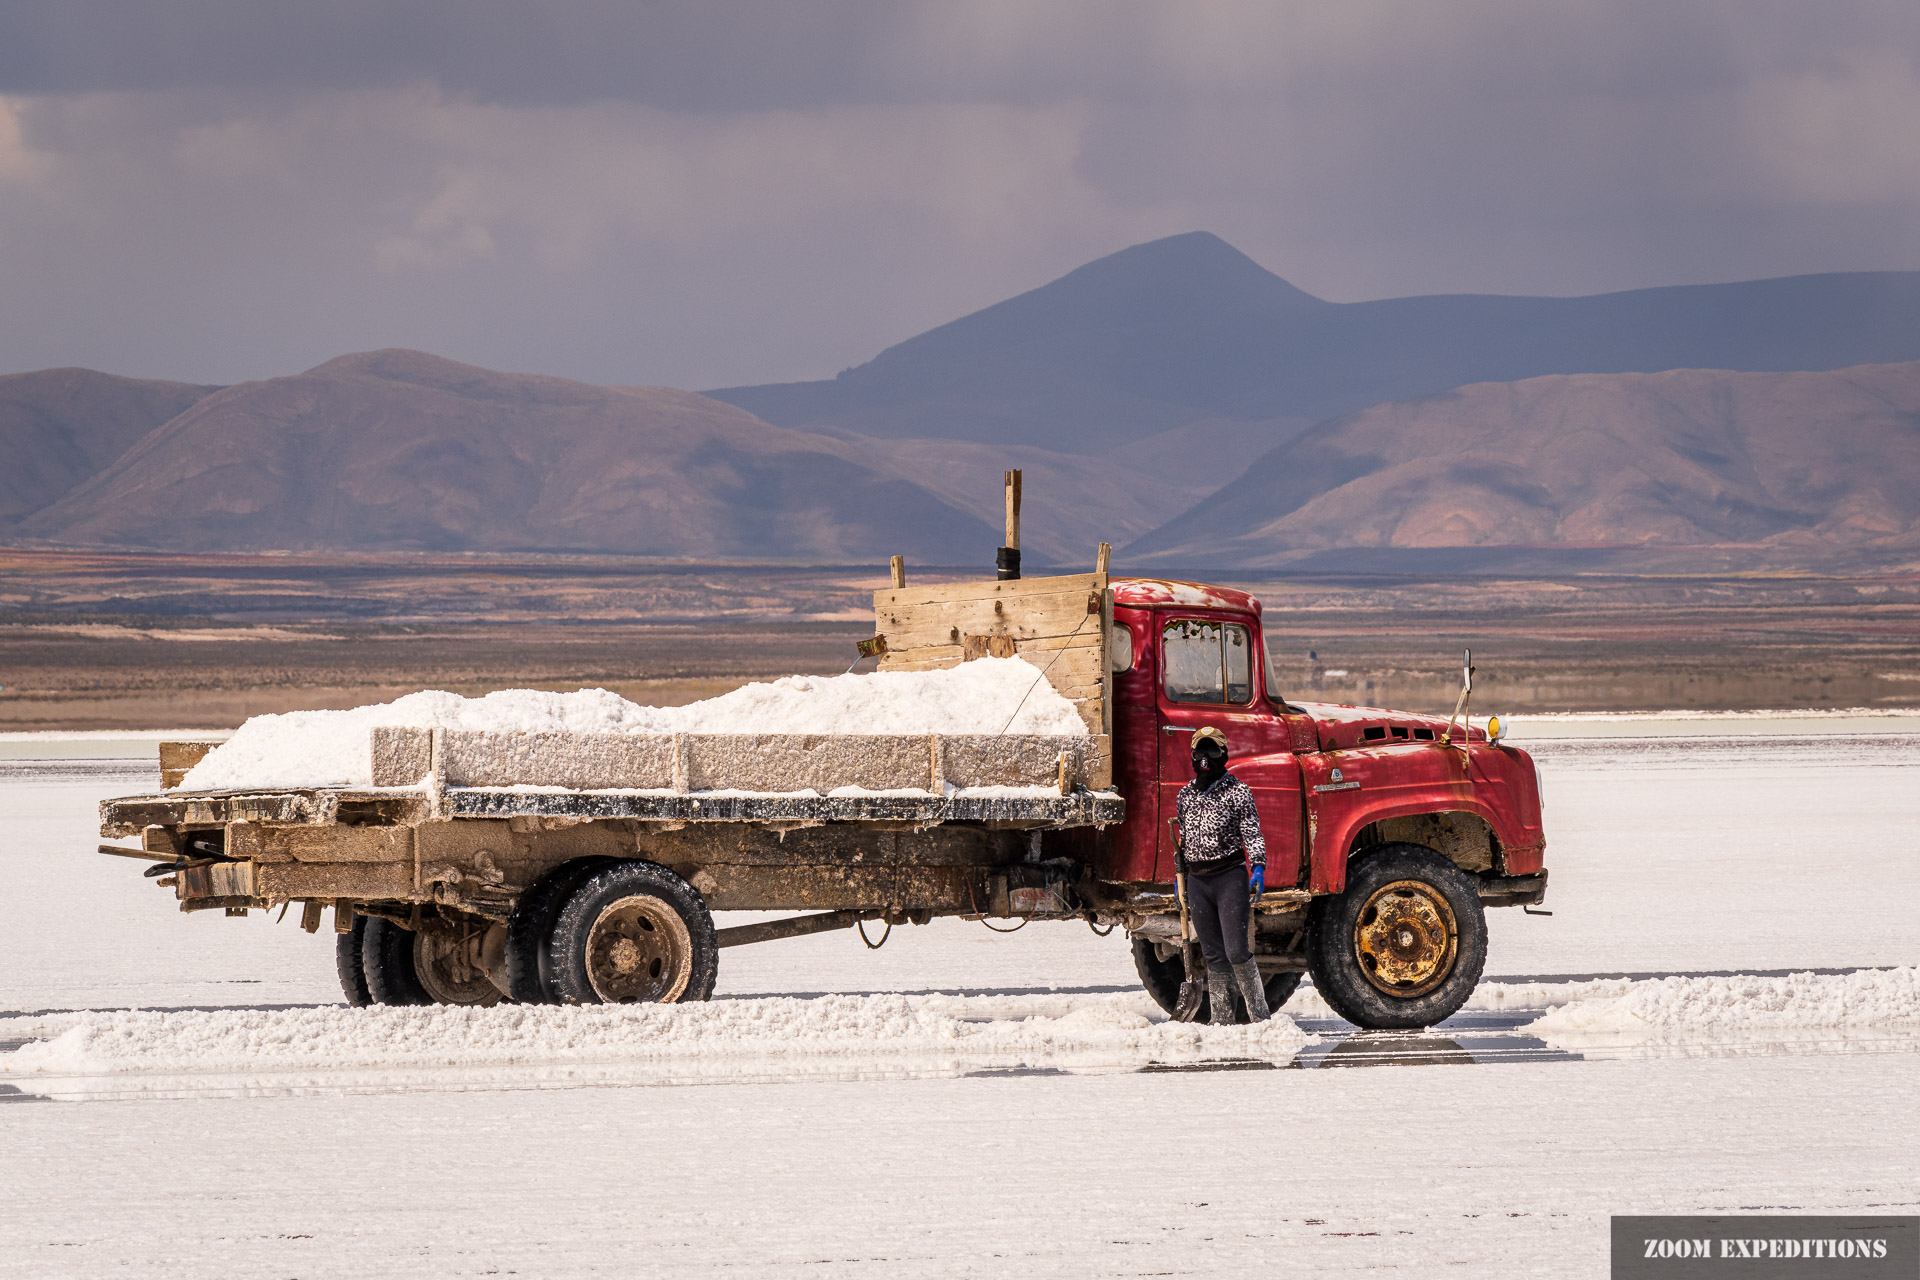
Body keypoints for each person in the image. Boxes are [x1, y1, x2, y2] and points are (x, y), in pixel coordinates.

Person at [1175, 726, 1270, 1024]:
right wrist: (1178, 886)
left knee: (1237, 951)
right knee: (1214, 956)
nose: (1206, 759)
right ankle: (1222, 1022)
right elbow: (1184, 842)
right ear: (1192, 756)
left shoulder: (1238, 792)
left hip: (1229, 877)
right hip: (1198, 881)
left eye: (1212, 751)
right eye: (1200, 752)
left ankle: (1260, 1019)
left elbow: (1252, 832)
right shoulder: (1185, 795)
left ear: (1224, 755)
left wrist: (1258, 867)